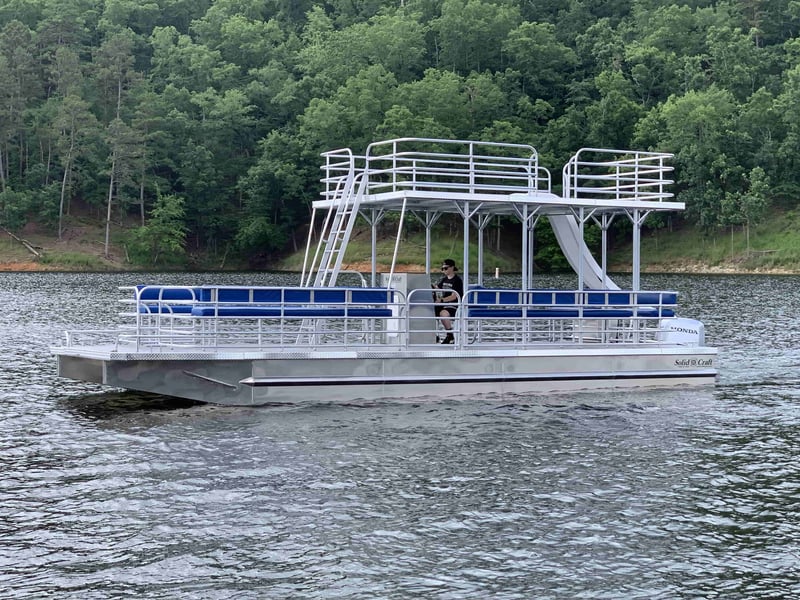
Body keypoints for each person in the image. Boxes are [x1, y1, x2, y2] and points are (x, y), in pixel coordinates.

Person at [433, 258, 463, 344]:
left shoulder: (457, 280)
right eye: (442, 268)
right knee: (430, 311)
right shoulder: (444, 279)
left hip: (453, 305)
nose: (444, 270)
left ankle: (450, 335)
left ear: (452, 268)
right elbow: (437, 288)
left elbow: (454, 296)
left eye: (446, 268)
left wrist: (442, 300)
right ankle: (433, 335)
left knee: (443, 313)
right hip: (443, 304)